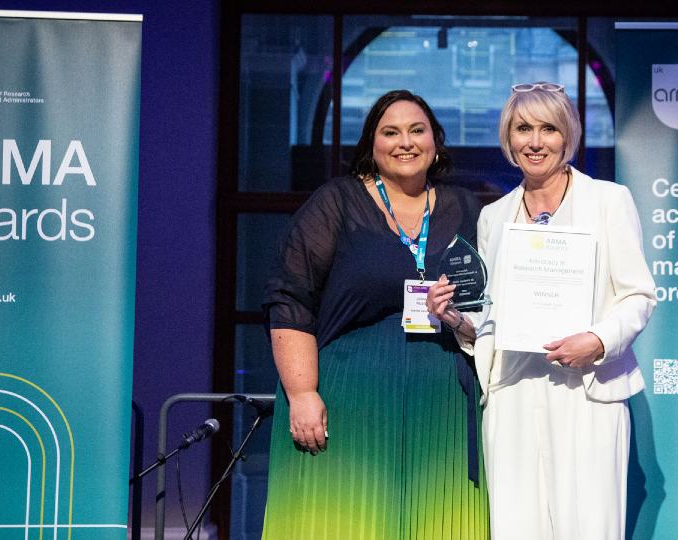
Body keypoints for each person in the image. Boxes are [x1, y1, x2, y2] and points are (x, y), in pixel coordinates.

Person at [427, 82, 656, 539]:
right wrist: (455, 318)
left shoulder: (608, 200)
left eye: (548, 129)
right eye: (523, 129)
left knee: (588, 527)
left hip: (586, 392)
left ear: (567, 135)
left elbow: (639, 296)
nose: (535, 141)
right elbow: (490, 313)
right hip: (514, 390)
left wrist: (598, 341)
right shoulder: (495, 216)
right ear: (508, 138)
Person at [261, 89, 489, 539]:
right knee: (342, 520)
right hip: (349, 395)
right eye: (391, 132)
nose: (405, 142)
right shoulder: (337, 202)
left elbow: (490, 302)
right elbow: (290, 298)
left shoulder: (467, 208)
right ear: (372, 144)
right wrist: (302, 393)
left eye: (417, 130)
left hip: (442, 400)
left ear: (435, 142)